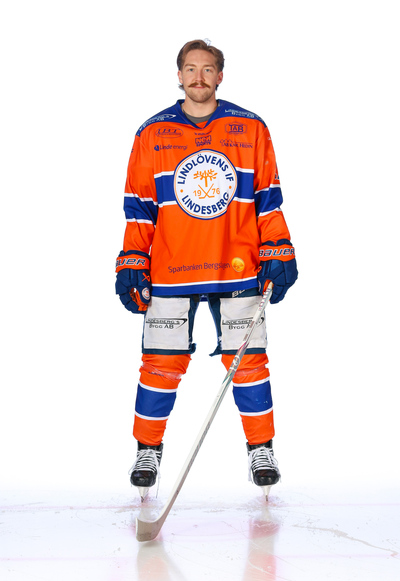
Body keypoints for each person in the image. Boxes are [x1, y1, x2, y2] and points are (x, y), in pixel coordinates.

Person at [116, 39, 298, 499]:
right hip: (171, 270)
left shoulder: (250, 127)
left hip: (237, 267)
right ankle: (147, 451)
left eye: (208, 69)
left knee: (249, 362)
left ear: (220, 76)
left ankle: (262, 449)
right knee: (159, 365)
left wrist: (278, 248)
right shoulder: (152, 133)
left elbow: (268, 200)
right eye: (191, 69)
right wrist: (132, 260)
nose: (199, 77)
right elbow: (139, 210)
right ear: (178, 75)